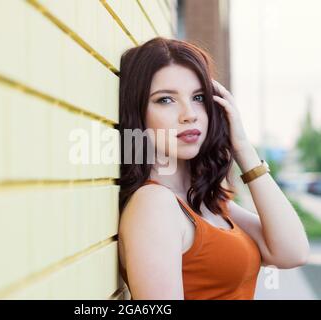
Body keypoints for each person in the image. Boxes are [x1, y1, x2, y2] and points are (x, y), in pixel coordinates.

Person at [117, 37, 310, 300]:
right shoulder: (154, 204)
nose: (189, 114)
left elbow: (292, 252)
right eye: (165, 100)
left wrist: (242, 146)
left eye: (198, 97)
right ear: (138, 113)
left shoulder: (204, 199)